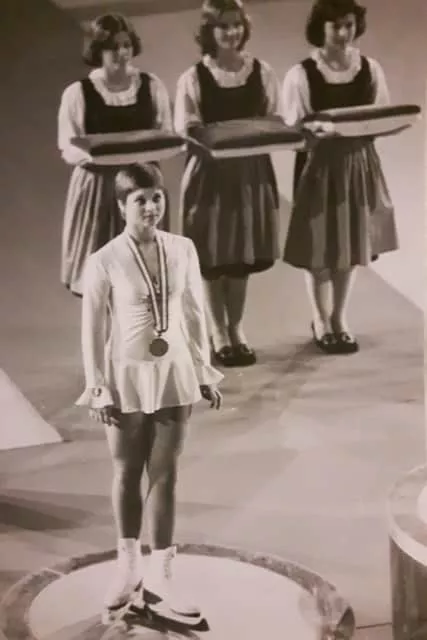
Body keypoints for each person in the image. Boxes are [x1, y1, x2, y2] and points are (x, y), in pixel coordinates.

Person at [76, 163, 223, 623]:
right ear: (122, 205)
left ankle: (163, 574)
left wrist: (203, 370)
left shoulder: (182, 248)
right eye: (140, 199)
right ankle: (128, 569)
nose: (151, 207)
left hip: (174, 371)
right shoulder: (104, 260)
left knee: (165, 474)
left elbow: (195, 312)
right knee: (126, 471)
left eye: (157, 197)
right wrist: (97, 386)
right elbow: (92, 329)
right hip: (125, 376)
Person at [281, 0, 398, 354]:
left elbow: (380, 117)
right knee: (319, 246)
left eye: (349, 24)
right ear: (321, 28)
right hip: (318, 166)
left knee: (349, 243)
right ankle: (320, 319)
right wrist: (317, 132)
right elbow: (295, 129)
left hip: (357, 164)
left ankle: (339, 318)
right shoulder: (302, 74)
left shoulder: (370, 69)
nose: (344, 33)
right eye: (336, 26)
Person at [174, 0, 281, 367]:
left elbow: (273, 119)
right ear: (209, 31)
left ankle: (236, 327)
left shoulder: (262, 72)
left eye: (237, 25)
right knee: (213, 257)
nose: (232, 33)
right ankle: (217, 330)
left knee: (240, 257)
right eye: (223, 26)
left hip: (250, 174)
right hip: (210, 176)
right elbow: (187, 129)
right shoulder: (193, 78)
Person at [58, 13, 172, 297]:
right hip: (99, 190)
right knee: (102, 281)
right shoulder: (78, 93)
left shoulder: (151, 86)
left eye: (126, 45)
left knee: (141, 282)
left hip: (143, 187)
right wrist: (102, 156)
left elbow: (166, 133)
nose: (121, 53)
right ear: (98, 51)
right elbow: (68, 146)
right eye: (113, 47)